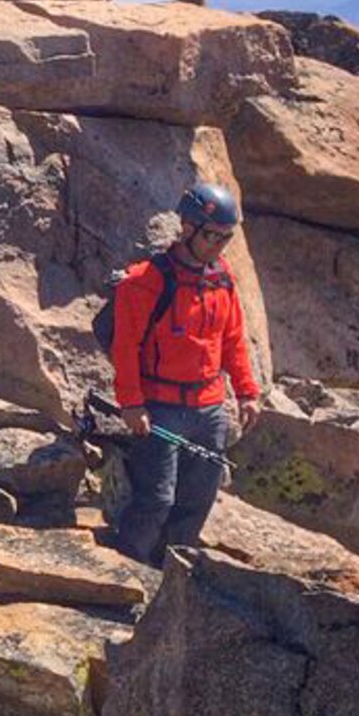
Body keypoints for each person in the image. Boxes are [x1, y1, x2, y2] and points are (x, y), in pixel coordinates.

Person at [110, 180, 262, 564]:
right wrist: (131, 403)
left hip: (209, 411)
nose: (218, 245)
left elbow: (232, 339)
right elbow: (125, 348)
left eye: (226, 238)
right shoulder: (145, 281)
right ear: (187, 227)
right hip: (159, 410)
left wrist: (247, 392)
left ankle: (170, 580)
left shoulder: (222, 278)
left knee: (196, 502)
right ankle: (126, 573)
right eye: (212, 235)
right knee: (156, 500)